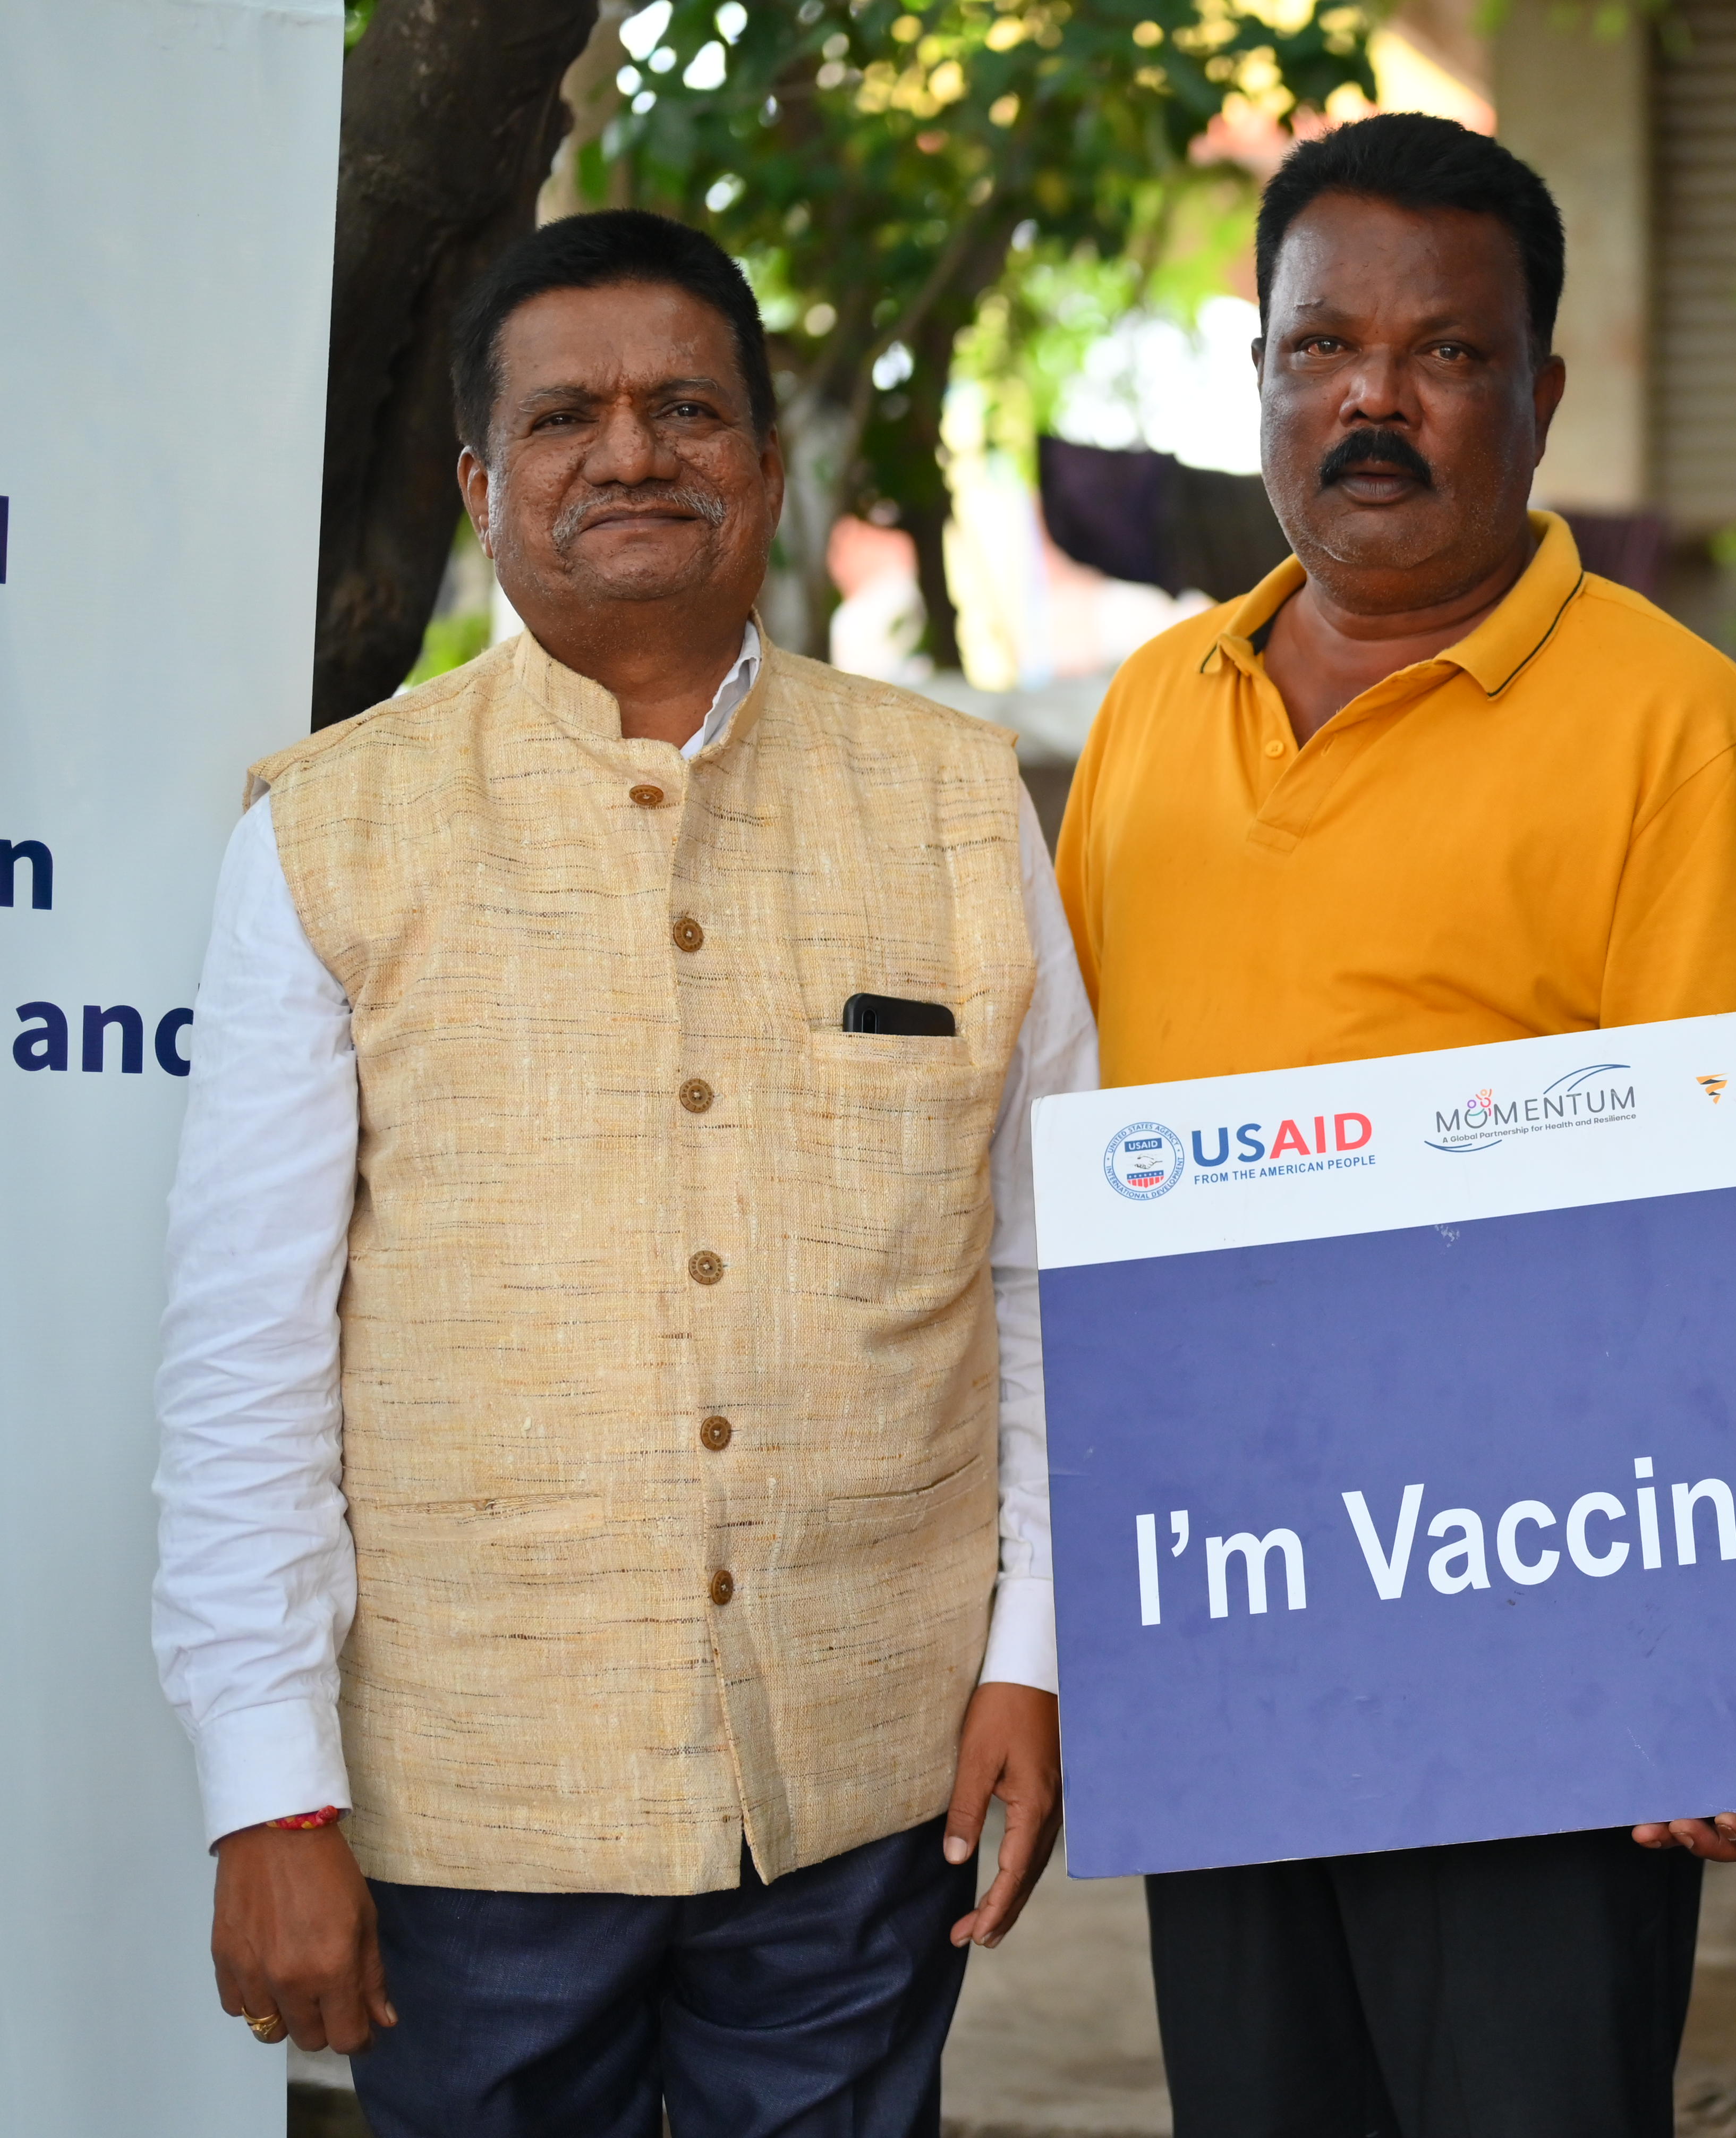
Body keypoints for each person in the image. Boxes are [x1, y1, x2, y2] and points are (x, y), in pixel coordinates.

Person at [151, 209, 1095, 2136]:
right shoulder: (330, 837)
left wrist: (1039, 1658)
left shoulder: (954, 805)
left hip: (866, 1780)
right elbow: (248, 1354)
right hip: (471, 1803)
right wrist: (270, 1796)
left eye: (686, 407)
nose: (632, 451)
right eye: (565, 416)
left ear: (765, 460)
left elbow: (1050, 1277)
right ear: (481, 487)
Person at [1052, 113, 1736, 2138]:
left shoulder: (1673, 727)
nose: (1370, 402)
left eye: (1442, 354)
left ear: (1539, 396)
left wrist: (1718, 1655)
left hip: (1537, 1641)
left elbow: (1729, 1232)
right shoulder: (1150, 710)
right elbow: (1075, 1162)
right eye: (1321, 347)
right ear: (1260, 377)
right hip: (1221, 1622)